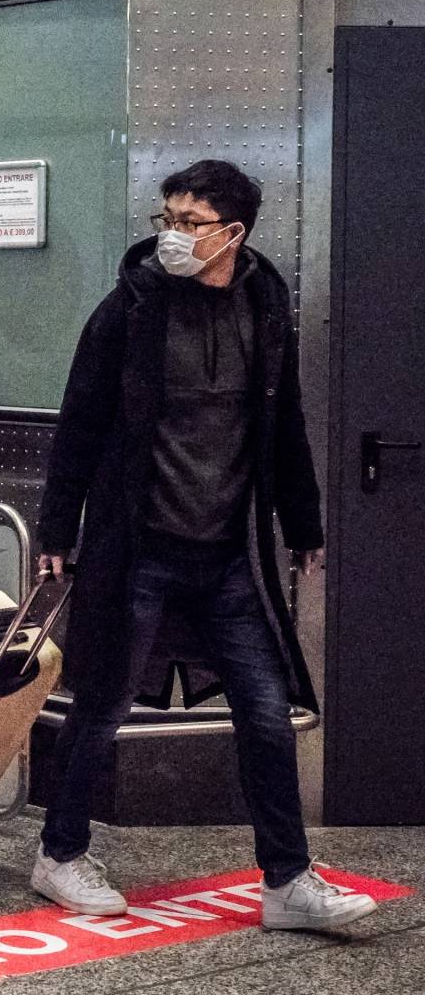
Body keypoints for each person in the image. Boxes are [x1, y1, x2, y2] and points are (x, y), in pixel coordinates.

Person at [30, 159, 376, 931]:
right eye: (167, 220)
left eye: (190, 224)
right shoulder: (130, 309)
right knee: (104, 703)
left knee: (263, 709)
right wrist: (58, 530)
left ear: (234, 233)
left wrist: (305, 522)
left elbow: (281, 425)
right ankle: (59, 854)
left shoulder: (263, 304)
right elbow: (79, 424)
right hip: (141, 547)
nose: (173, 237)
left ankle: (287, 882)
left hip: (227, 557)